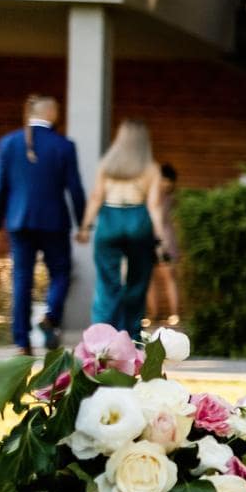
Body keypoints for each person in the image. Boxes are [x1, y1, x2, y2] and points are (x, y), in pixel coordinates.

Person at [0, 94, 85, 355]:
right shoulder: (63, 146)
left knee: (22, 279)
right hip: (54, 222)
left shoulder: (8, 143)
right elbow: (74, 188)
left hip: (19, 221)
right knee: (60, 271)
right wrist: (83, 223)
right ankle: (51, 315)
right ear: (51, 113)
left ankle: (21, 342)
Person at [76, 121, 166, 336]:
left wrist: (85, 227)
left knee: (107, 284)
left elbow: (97, 197)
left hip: (109, 220)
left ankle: (102, 336)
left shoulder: (107, 165)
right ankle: (132, 336)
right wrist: (161, 239)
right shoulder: (151, 168)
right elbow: (154, 206)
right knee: (137, 282)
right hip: (138, 220)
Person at [147, 162, 182, 328]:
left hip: (165, 241)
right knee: (150, 279)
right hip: (149, 240)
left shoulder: (169, 199)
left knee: (168, 277)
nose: (165, 184)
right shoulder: (151, 196)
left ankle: (173, 314)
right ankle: (153, 315)